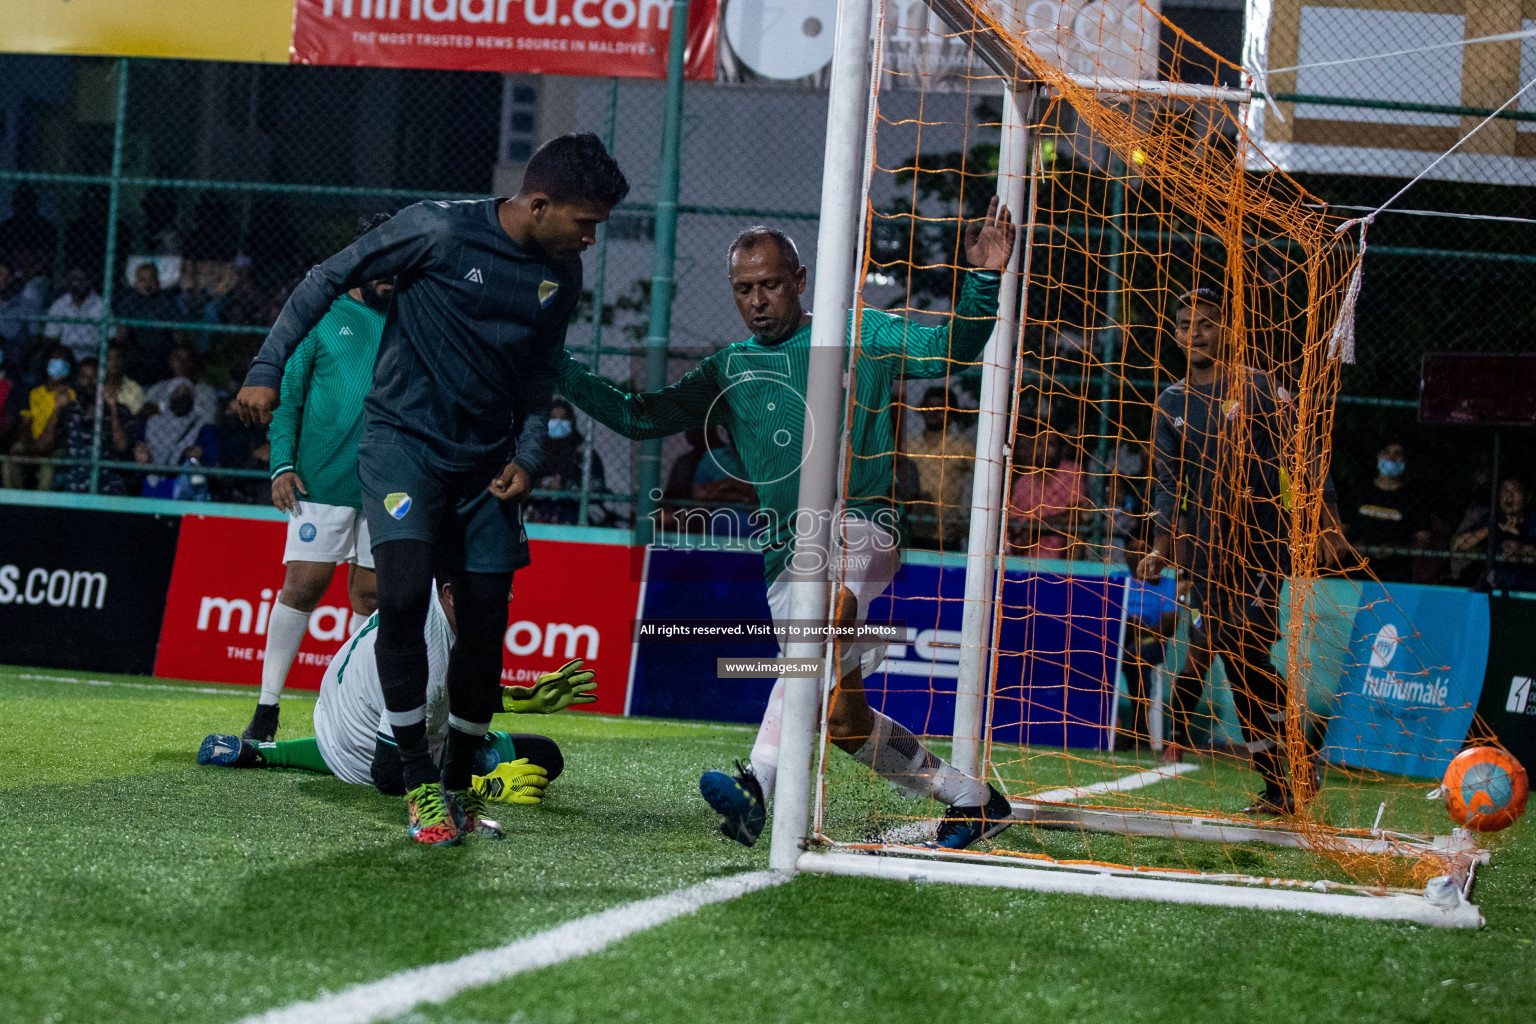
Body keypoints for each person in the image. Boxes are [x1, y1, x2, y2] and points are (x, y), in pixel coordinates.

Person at [556, 203, 1018, 850]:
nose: (758, 301)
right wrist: (559, 368)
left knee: (821, 623)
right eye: (744, 290)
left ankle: (757, 785)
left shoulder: (863, 332)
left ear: (800, 279)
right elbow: (639, 417)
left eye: (770, 284)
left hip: (863, 526)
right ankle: (971, 798)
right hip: (781, 555)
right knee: (841, 718)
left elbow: (955, 347)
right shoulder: (729, 368)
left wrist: (985, 278)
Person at [235, 133, 628, 846]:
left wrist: (531, 458)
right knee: (405, 596)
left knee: (483, 620)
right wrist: (267, 367)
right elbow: (326, 276)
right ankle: (418, 780)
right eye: (585, 222)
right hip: (403, 449)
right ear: (539, 203)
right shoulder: (438, 227)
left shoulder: (560, 277)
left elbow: (539, 378)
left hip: (488, 466)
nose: (590, 239)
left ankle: (456, 787)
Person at [1134, 287, 1347, 815]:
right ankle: (1285, 777)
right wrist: (1161, 546)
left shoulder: (1256, 386)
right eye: (1186, 324)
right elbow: (1166, 482)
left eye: (1206, 323)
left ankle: (1293, 762)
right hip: (1207, 549)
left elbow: (1304, 457)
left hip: (1258, 539)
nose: (1196, 332)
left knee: (1237, 646)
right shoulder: (1170, 402)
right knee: (1238, 660)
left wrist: (1328, 527)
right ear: (1175, 334)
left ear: (1227, 329)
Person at [197, 579, 596, 822]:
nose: (508, 593)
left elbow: (442, 693)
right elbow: (389, 774)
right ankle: (272, 753)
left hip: (339, 720)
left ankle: (267, 752)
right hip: (372, 755)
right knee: (546, 756)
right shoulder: (430, 651)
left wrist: (515, 700)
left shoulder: (424, 591)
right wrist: (477, 786)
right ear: (452, 594)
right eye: (495, 583)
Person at [238, 216, 396, 744]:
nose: (392, 280)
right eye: (383, 270)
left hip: (387, 484)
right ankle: (267, 706)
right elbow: (288, 395)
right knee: (304, 585)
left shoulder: (410, 318)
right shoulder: (321, 311)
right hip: (320, 481)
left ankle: (347, 709)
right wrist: (281, 463)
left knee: (371, 598)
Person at [1116, 537, 1180, 751]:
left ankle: (1140, 730)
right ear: (1124, 554)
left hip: (1151, 643)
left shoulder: (1168, 585)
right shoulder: (1117, 580)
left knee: (1137, 654)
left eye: (1142, 549)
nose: (1136, 553)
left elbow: (1169, 626)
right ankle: (1107, 728)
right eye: (1132, 549)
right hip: (1116, 641)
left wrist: (1137, 627)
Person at [1343, 439, 1433, 584]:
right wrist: (1354, 547)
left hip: (1395, 573)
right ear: (1378, 456)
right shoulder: (1361, 491)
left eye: (1397, 454)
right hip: (1355, 570)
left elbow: (1423, 539)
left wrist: (1396, 549)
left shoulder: (1414, 497)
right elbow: (1340, 529)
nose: (1391, 458)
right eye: (1387, 453)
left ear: (1405, 460)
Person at [52, 357, 140, 494]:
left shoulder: (120, 411)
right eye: (84, 376)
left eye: (94, 377)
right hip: (74, 482)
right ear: (77, 380)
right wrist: (56, 408)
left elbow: (122, 446)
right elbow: (50, 442)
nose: (89, 382)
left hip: (108, 483)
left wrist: (112, 408)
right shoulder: (69, 410)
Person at [902, 385, 975, 548]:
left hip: (946, 531)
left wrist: (968, 522)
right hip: (911, 527)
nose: (934, 412)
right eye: (929, 407)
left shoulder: (962, 447)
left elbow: (985, 480)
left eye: (941, 408)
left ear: (951, 413)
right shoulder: (908, 446)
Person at [1006, 421, 1087, 559]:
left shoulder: (1071, 473)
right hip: (1023, 549)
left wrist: (1036, 525)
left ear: (1061, 449)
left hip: (1058, 547)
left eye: (1050, 445)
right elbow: (1012, 521)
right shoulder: (1023, 482)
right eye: (1040, 445)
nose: (1044, 450)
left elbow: (1074, 517)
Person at [526, 397, 613, 526]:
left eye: (563, 418)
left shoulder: (583, 452)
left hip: (573, 512)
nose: (559, 423)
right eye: (553, 418)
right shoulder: (536, 451)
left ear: (571, 421)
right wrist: (541, 485)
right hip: (538, 510)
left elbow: (597, 486)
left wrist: (565, 486)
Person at [2, 345, 73, 491]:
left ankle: (41, 509)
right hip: (32, 441)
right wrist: (30, 445)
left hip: (55, 446)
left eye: (63, 360)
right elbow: (25, 423)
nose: (58, 364)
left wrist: (41, 447)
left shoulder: (71, 395)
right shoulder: (34, 392)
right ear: (47, 363)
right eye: (54, 359)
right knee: (9, 461)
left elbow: (62, 432)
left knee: (47, 467)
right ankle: (16, 504)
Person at [135, 376, 218, 498]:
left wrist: (199, 457)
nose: (182, 396)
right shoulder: (153, 423)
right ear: (169, 396)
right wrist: (142, 457)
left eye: (186, 392)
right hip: (152, 482)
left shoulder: (201, 426)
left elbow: (211, 457)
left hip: (184, 485)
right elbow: (139, 448)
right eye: (177, 392)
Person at [1451, 477, 1536, 592]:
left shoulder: (1532, 520)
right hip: (1493, 585)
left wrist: (1523, 550)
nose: (1509, 496)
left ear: (1527, 495)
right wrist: (1490, 531)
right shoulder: (1491, 518)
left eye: (1515, 491)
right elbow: (1458, 544)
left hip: (1527, 587)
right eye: (1504, 490)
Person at [114, 262, 181, 384]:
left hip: (162, 353)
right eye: (142, 280)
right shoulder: (128, 302)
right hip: (136, 353)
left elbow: (177, 335)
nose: (147, 284)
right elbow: (121, 334)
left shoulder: (166, 303)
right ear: (135, 283)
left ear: (158, 282)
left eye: (151, 279)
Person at [43, 267, 104, 363]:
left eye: (84, 279)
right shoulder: (59, 305)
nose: (80, 283)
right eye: (76, 279)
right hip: (66, 357)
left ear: (90, 281)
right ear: (68, 281)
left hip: (93, 359)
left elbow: (110, 337)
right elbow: (51, 337)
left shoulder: (101, 304)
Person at [143, 344, 218, 423]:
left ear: (193, 362)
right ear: (171, 362)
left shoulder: (206, 392)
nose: (182, 362)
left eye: (187, 359)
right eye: (177, 358)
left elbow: (209, 420)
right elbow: (147, 415)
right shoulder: (159, 389)